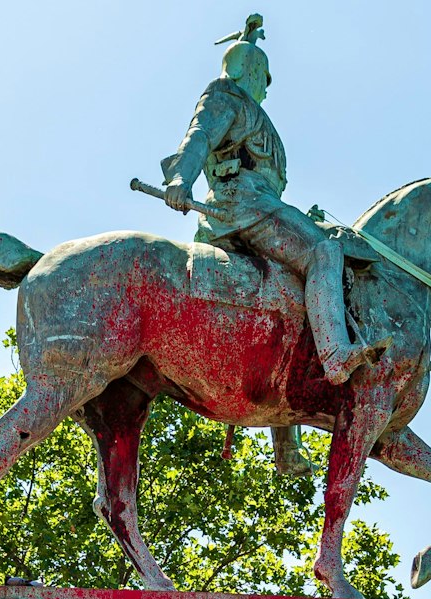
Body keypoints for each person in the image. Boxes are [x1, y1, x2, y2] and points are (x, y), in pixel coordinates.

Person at [161, 15, 387, 477]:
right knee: (325, 253)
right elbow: (198, 138)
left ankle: (287, 445)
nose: (268, 85)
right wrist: (180, 178)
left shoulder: (248, 107)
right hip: (243, 207)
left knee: (291, 296)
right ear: (248, 71)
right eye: (264, 76)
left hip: (254, 205)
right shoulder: (228, 97)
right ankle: (335, 354)